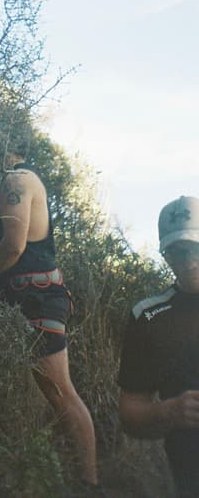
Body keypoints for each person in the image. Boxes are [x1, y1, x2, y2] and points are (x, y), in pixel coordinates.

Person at [0, 145, 103, 495]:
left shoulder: (17, 179)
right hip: (27, 298)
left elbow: (14, 247)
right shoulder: (27, 179)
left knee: (60, 391)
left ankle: (90, 485)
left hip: (34, 298)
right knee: (48, 391)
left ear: (10, 148)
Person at [118, 195, 199, 498]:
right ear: (165, 255)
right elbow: (129, 413)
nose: (188, 259)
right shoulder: (148, 317)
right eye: (177, 251)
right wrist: (171, 411)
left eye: (195, 246)